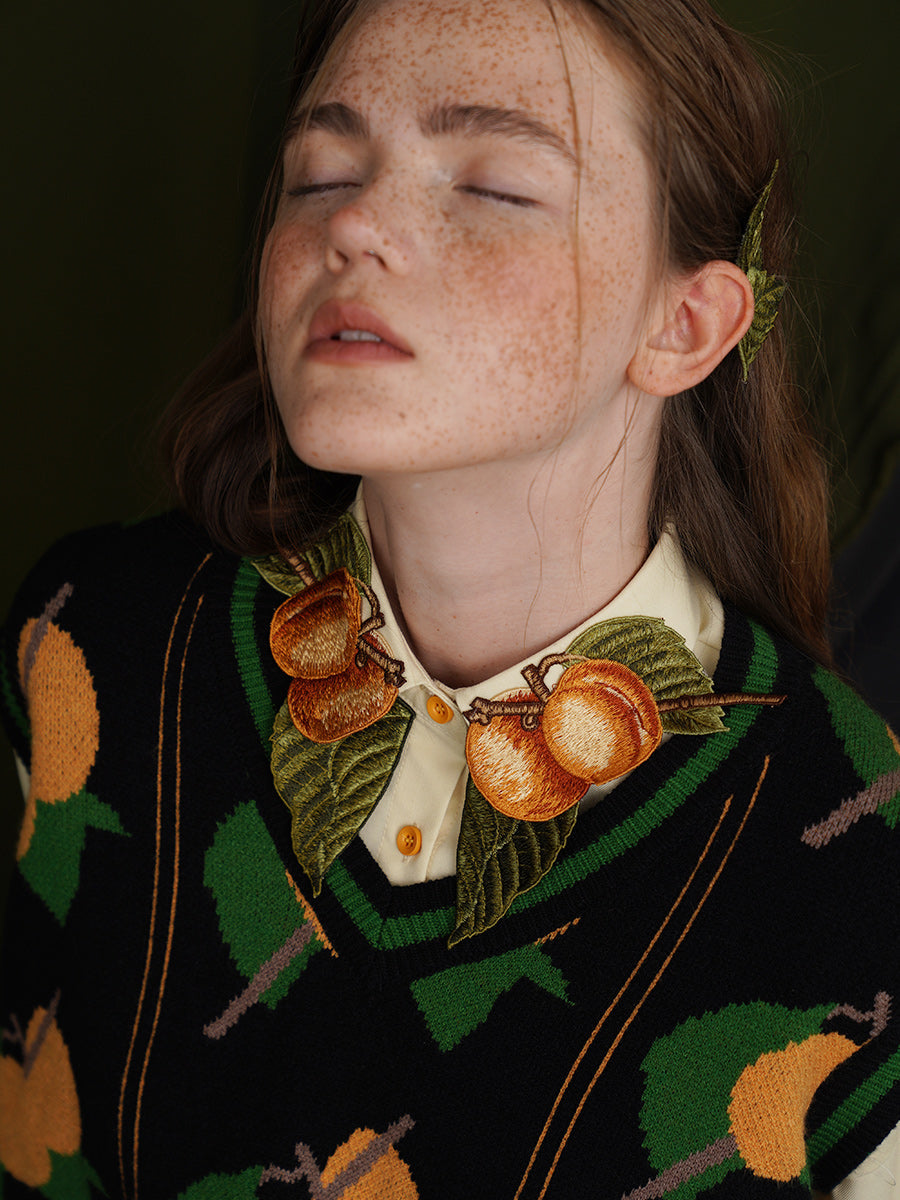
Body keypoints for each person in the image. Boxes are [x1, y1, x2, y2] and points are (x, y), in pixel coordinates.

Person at [1, 0, 898, 1196]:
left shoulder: (862, 869)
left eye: (492, 187)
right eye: (321, 175)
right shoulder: (91, 646)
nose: (353, 224)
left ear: (685, 326)